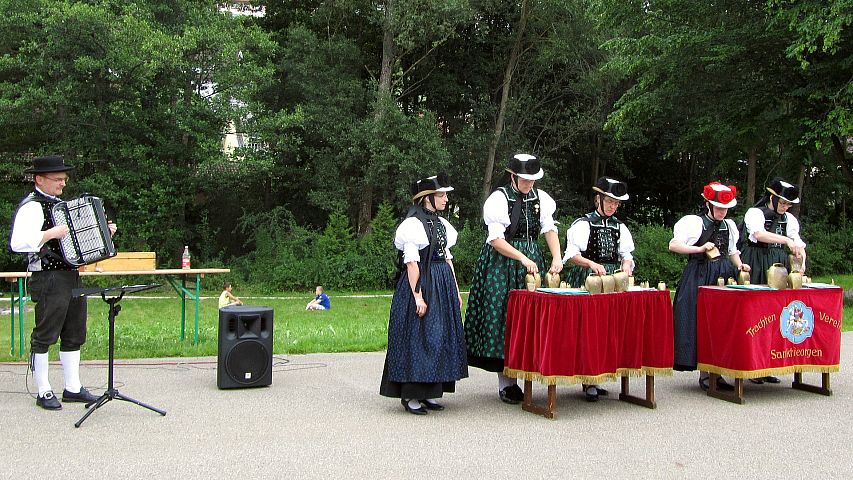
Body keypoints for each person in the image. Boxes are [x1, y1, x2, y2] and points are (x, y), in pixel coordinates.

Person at [9, 155, 117, 410]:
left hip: (70, 275)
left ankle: (72, 387)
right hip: (48, 278)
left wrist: (104, 231)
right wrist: (48, 234)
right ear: (39, 179)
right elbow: (17, 243)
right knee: (45, 334)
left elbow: (77, 241)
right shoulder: (32, 207)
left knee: (74, 332)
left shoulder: (60, 206)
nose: (62, 184)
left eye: (64, 179)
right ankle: (43, 390)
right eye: (57, 179)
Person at [464, 153, 563, 404]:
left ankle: (528, 371)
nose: (529, 184)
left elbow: (549, 229)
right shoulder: (499, 199)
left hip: (531, 262)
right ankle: (506, 383)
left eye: (532, 180)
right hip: (503, 263)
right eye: (524, 179)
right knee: (503, 317)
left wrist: (557, 258)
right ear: (513, 176)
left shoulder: (541, 199)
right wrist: (521, 258)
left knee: (531, 319)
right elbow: (496, 240)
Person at [379, 173, 468, 415]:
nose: (446, 199)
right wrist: (417, 295)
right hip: (422, 285)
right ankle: (410, 396)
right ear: (427, 198)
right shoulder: (412, 225)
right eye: (441, 195)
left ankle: (430, 393)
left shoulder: (441, 224)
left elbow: (448, 258)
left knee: (438, 337)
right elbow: (411, 264)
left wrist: (456, 290)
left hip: (442, 284)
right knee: (418, 339)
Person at [669, 181, 750, 392]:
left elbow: (732, 251)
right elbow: (673, 245)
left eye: (725, 208)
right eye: (719, 207)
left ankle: (717, 370)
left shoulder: (730, 226)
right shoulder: (695, 223)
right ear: (708, 204)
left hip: (723, 274)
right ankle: (706, 373)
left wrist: (740, 265)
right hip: (699, 275)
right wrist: (699, 248)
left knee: (722, 323)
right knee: (699, 321)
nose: (723, 211)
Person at [563, 176, 635, 402]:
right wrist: (591, 264)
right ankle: (588, 379)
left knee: (608, 329)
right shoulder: (584, 224)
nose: (613, 206)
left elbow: (626, 254)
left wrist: (626, 266)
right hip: (589, 279)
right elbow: (572, 255)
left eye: (616, 203)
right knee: (588, 330)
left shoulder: (620, 227)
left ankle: (597, 376)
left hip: (612, 281)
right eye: (610, 201)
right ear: (598, 200)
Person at [739, 177, 806, 384]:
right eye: (783, 203)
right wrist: (786, 240)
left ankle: (767, 365)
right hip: (757, 261)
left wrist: (802, 262)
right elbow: (758, 235)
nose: (785, 207)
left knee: (775, 314)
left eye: (788, 204)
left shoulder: (790, 220)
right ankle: (750, 365)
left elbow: (798, 243)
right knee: (756, 315)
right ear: (772, 198)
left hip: (778, 265)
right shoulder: (756, 213)